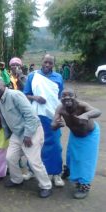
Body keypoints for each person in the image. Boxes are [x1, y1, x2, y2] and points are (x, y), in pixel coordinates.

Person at [0, 79, 52, 198]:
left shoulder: (15, 95)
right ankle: (17, 179)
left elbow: (30, 115)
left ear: (5, 86)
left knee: (34, 161)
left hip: (31, 131)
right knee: (10, 157)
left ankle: (46, 186)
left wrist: (28, 135)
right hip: (17, 133)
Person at [51, 89, 101, 199]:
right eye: (63, 96)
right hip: (75, 135)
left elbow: (97, 111)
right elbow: (53, 124)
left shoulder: (82, 106)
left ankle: (84, 187)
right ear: (60, 98)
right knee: (71, 155)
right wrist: (56, 125)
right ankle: (69, 171)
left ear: (75, 96)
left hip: (89, 135)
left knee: (85, 161)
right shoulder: (60, 108)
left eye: (70, 95)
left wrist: (86, 115)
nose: (67, 97)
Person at [24, 54, 65, 187]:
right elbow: (25, 94)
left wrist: (60, 115)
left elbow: (60, 97)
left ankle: (57, 173)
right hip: (37, 115)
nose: (47, 65)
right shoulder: (33, 76)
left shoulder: (58, 77)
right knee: (36, 144)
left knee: (55, 145)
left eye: (50, 63)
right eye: (45, 62)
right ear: (41, 62)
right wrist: (35, 98)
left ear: (54, 64)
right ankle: (32, 170)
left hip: (53, 115)